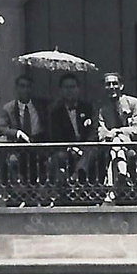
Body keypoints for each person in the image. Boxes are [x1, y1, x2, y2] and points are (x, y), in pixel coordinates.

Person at [94, 72, 137, 202]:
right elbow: (102, 134)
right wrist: (109, 136)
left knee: (117, 139)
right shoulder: (103, 110)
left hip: (134, 146)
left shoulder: (133, 103)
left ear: (121, 86)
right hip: (114, 148)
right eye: (108, 84)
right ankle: (121, 173)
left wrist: (117, 131)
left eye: (115, 83)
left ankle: (118, 179)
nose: (112, 87)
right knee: (115, 141)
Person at [0, 74, 46, 197]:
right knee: (11, 163)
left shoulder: (41, 106)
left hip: (38, 147)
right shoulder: (9, 108)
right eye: (22, 86)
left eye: (28, 87)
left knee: (47, 164)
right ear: (16, 89)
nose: (25, 90)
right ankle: (17, 195)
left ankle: (42, 196)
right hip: (18, 149)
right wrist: (17, 133)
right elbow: (1, 128)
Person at [46, 73, 98, 203]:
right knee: (59, 157)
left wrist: (82, 148)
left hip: (86, 148)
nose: (70, 90)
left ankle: (77, 176)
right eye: (66, 87)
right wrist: (71, 147)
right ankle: (63, 193)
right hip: (65, 149)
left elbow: (93, 132)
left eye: (73, 87)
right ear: (61, 90)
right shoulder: (54, 111)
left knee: (93, 151)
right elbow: (55, 135)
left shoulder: (88, 108)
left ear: (78, 89)